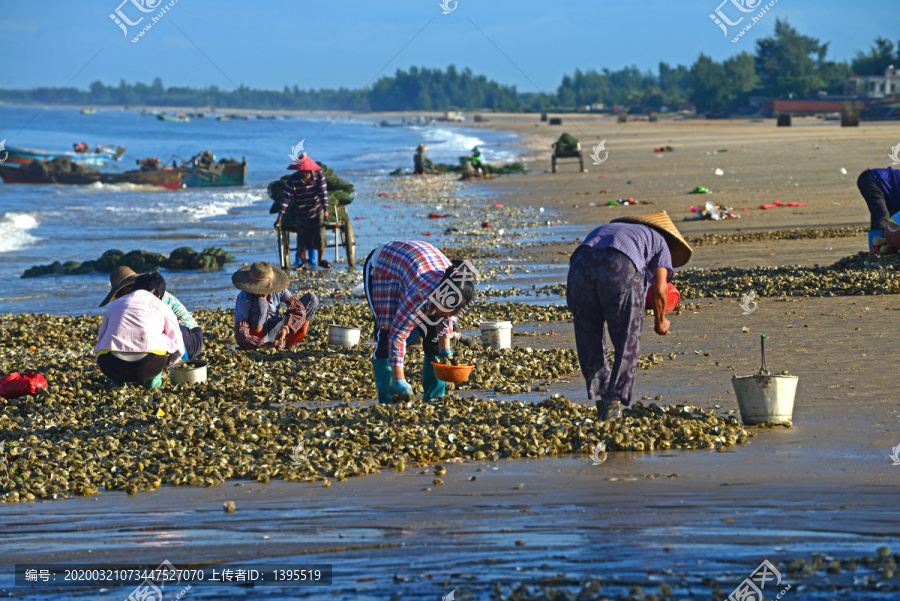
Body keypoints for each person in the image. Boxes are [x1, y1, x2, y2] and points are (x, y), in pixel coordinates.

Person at [567, 212, 692, 420]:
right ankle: (612, 402)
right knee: (627, 339)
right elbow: (660, 288)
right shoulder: (660, 241)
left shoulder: (610, 230)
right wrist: (660, 320)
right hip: (619, 267)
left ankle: (602, 398)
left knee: (588, 336)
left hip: (580, 267)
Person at [363, 240, 477, 404]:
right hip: (383, 266)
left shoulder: (453, 287)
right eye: (451, 310)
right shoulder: (418, 296)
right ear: (441, 296)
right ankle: (388, 399)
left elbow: (444, 318)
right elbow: (398, 336)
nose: (451, 315)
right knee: (386, 334)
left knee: (433, 338)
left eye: (455, 311)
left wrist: (445, 351)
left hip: (416, 261)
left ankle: (434, 398)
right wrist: (400, 380)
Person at [95, 272, 185, 389]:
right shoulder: (162, 306)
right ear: (158, 296)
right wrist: (167, 364)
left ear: (134, 288)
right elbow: (178, 345)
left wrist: (102, 363)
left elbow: (101, 338)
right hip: (148, 366)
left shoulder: (114, 305)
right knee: (165, 340)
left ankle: (117, 383)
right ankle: (153, 383)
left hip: (112, 366)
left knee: (109, 341)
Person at [100, 266, 204, 360]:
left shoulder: (153, 295)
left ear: (130, 287)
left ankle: (182, 361)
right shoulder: (140, 297)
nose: (123, 297)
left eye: (122, 293)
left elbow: (172, 329)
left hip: (190, 338)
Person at [232, 261, 319, 350]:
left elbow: (298, 309)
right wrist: (263, 345)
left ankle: (291, 344)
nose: (261, 293)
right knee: (262, 302)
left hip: (274, 330)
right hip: (256, 338)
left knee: (312, 298)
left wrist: (286, 328)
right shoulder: (244, 297)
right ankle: (260, 346)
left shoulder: (278, 289)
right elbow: (241, 333)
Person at [275, 153, 331, 271]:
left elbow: (323, 194)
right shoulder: (292, 180)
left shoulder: (319, 176)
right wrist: (280, 217)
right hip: (301, 213)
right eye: (301, 170)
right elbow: (286, 199)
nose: (303, 172)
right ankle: (303, 264)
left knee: (320, 237)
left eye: (305, 170)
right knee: (302, 240)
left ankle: (320, 260)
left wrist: (326, 212)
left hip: (317, 211)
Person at [857, 166, 900, 252]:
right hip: (871, 179)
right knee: (881, 215)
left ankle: (884, 248)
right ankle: (875, 250)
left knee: (891, 218)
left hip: (888, 192)